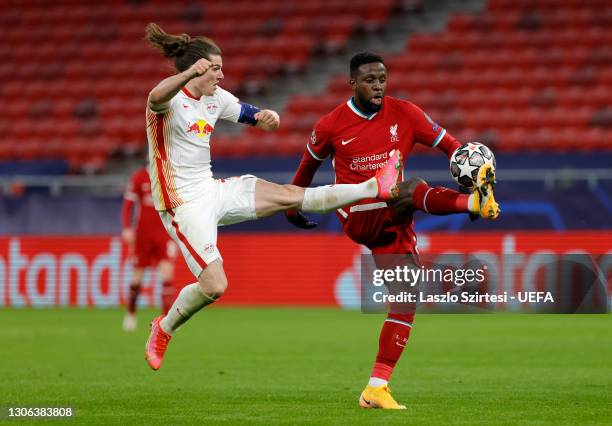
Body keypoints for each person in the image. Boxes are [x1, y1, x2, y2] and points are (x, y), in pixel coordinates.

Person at [142, 25, 404, 371]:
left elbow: (251, 115)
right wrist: (190, 72)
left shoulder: (215, 98)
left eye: (221, 68)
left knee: (290, 196)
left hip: (213, 190)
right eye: (215, 68)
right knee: (216, 285)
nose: (221, 75)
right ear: (197, 69)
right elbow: (154, 97)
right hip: (182, 205)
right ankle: (163, 327)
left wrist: (267, 118)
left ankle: (373, 187)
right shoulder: (169, 103)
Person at [286, 52, 500, 409]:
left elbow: (452, 147)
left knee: (405, 298)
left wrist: (471, 171)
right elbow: (308, 165)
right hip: (357, 213)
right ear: (352, 83)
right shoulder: (330, 125)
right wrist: (293, 204)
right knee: (407, 188)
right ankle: (472, 205)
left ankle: (376, 387)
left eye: (383, 79)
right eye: (370, 80)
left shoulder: (406, 113)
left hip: (393, 222)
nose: (378, 86)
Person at [121, 165, 178, 331]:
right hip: (143, 235)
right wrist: (126, 228)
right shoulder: (139, 176)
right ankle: (131, 315)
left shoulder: (170, 175)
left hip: (164, 232)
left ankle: (167, 322)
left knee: (167, 275)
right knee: (137, 277)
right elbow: (128, 205)